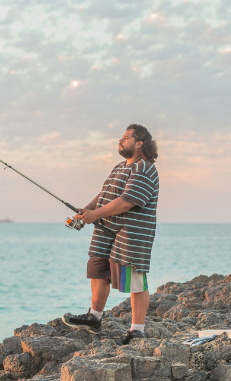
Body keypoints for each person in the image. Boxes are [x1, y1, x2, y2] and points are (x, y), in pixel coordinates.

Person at [62, 124, 159, 345]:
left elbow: (127, 201)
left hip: (132, 232)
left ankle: (137, 330)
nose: (120, 140)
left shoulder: (144, 168)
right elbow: (105, 194)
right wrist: (86, 212)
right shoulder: (119, 167)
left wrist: (95, 214)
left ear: (140, 142)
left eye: (125, 137)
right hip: (106, 227)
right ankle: (94, 318)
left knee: (134, 278)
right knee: (97, 267)